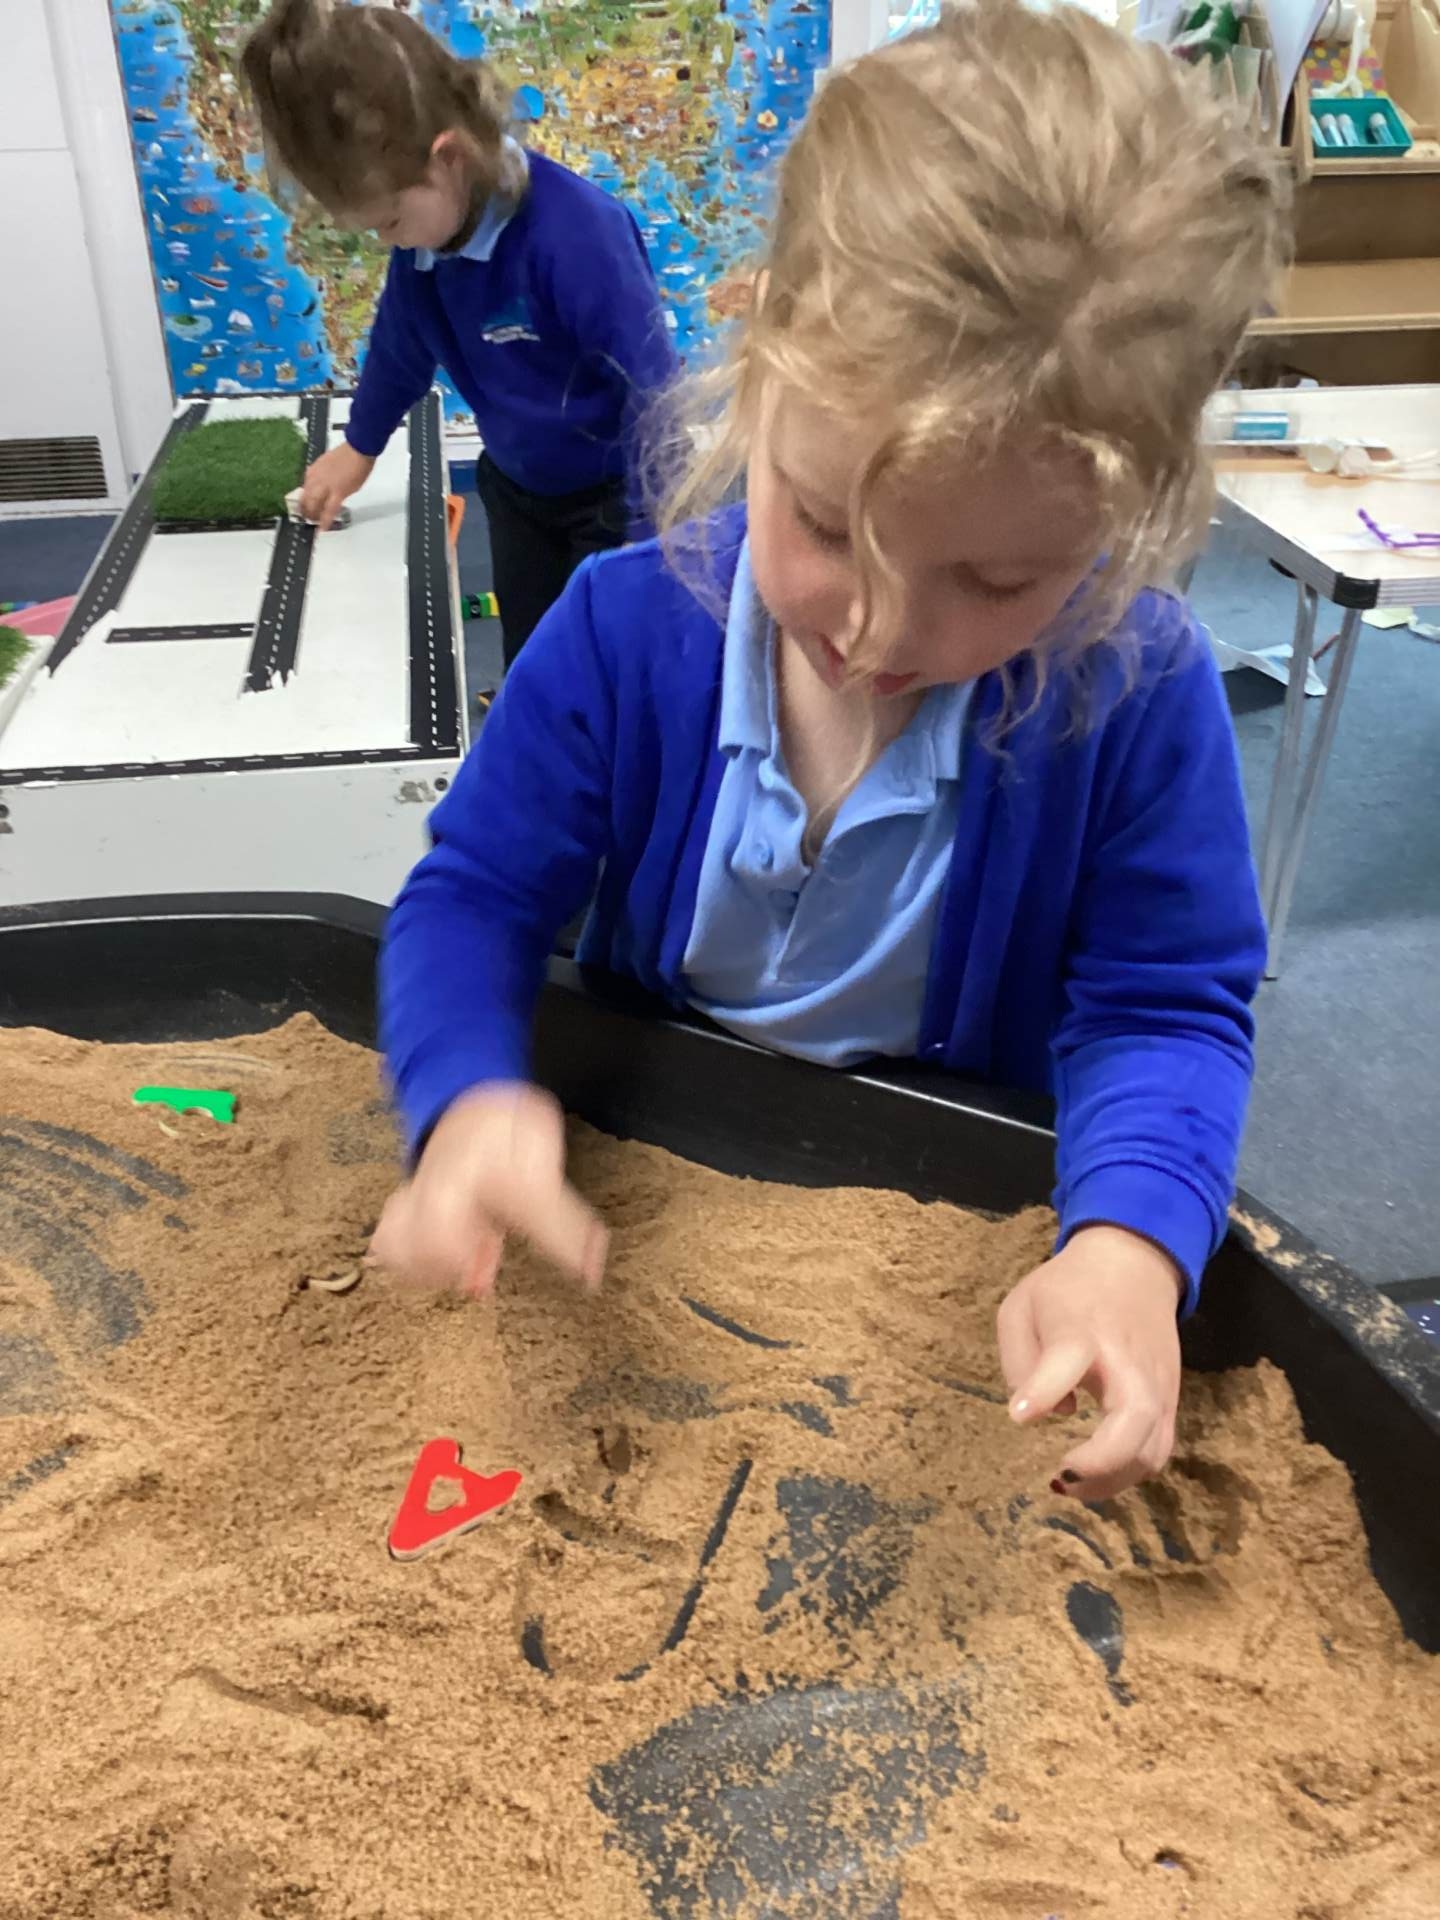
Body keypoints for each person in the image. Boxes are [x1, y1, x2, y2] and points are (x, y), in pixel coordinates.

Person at [371, 0, 1291, 1502]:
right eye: (821, 524)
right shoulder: (623, 629)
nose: (878, 629)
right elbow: (472, 898)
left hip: (943, 1204)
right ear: (758, 369)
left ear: (1126, 524)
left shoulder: (1133, 691)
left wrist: (1127, 1245)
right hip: (659, 1168)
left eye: (996, 580)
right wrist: (468, 1093)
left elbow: (1163, 1008)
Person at [241, 0, 677, 666]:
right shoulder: (426, 247)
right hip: (518, 491)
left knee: (605, 665)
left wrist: (648, 546)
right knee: (531, 656)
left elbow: (655, 394)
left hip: (614, 501)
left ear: (448, 159)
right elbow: (401, 345)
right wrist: (359, 445)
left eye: (389, 222)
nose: (387, 242)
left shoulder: (578, 236)